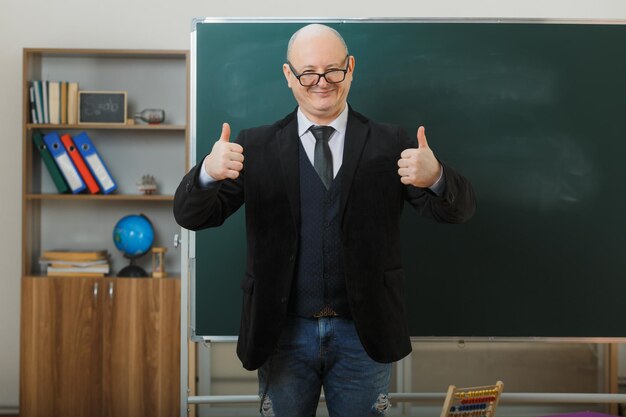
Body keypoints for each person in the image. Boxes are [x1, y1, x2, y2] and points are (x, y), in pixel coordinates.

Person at [174, 23, 476, 417]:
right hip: (281, 332)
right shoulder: (254, 146)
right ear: (289, 76)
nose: (321, 82)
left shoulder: (391, 143)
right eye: (308, 72)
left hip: (363, 335)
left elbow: (458, 211)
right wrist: (207, 174)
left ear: (350, 67)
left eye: (333, 70)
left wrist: (436, 175)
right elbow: (191, 215)